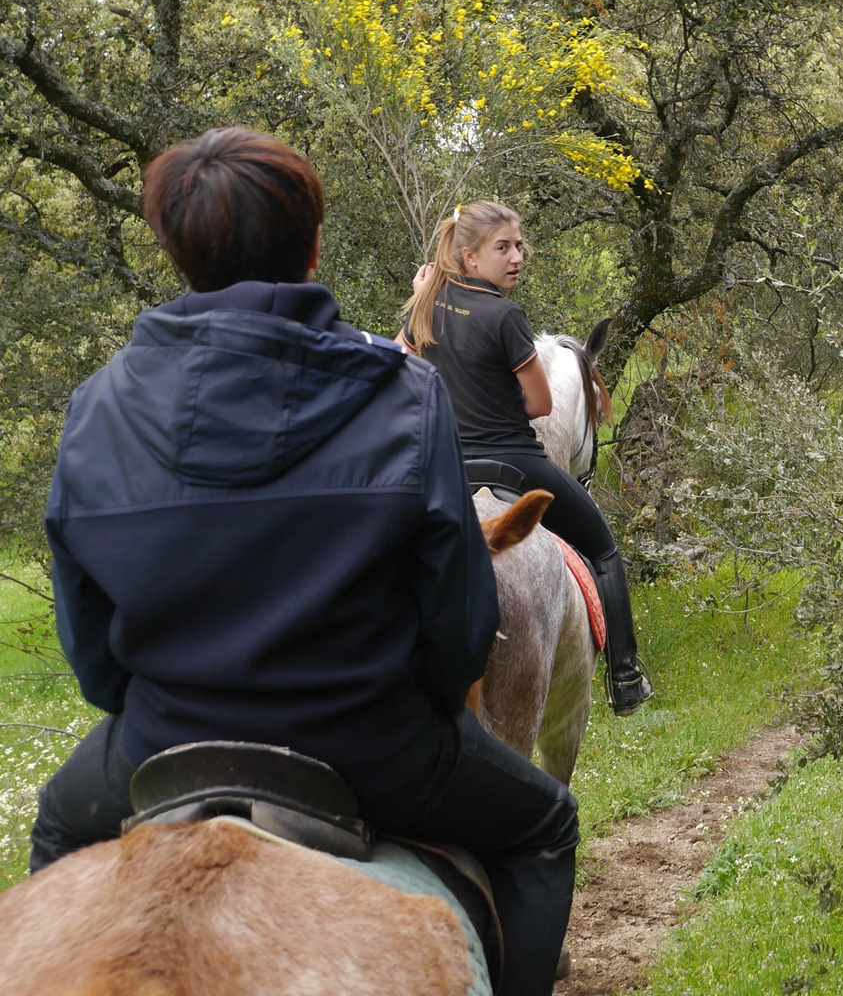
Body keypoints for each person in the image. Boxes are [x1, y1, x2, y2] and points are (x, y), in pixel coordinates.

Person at [30, 128, 578, 996]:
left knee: (59, 826)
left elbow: (94, 657)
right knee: (546, 825)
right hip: (374, 746)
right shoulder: (403, 396)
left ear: (173, 249)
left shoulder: (95, 408)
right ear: (314, 244)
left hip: (160, 741)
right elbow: (461, 627)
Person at [400, 201, 653, 716]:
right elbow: (540, 404)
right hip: (515, 462)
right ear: (469, 257)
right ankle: (626, 676)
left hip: (445, 468)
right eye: (503, 248)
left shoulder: (428, 304)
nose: (516, 257)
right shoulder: (506, 316)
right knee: (603, 550)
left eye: (519, 246)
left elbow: (399, 362)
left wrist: (420, 296)